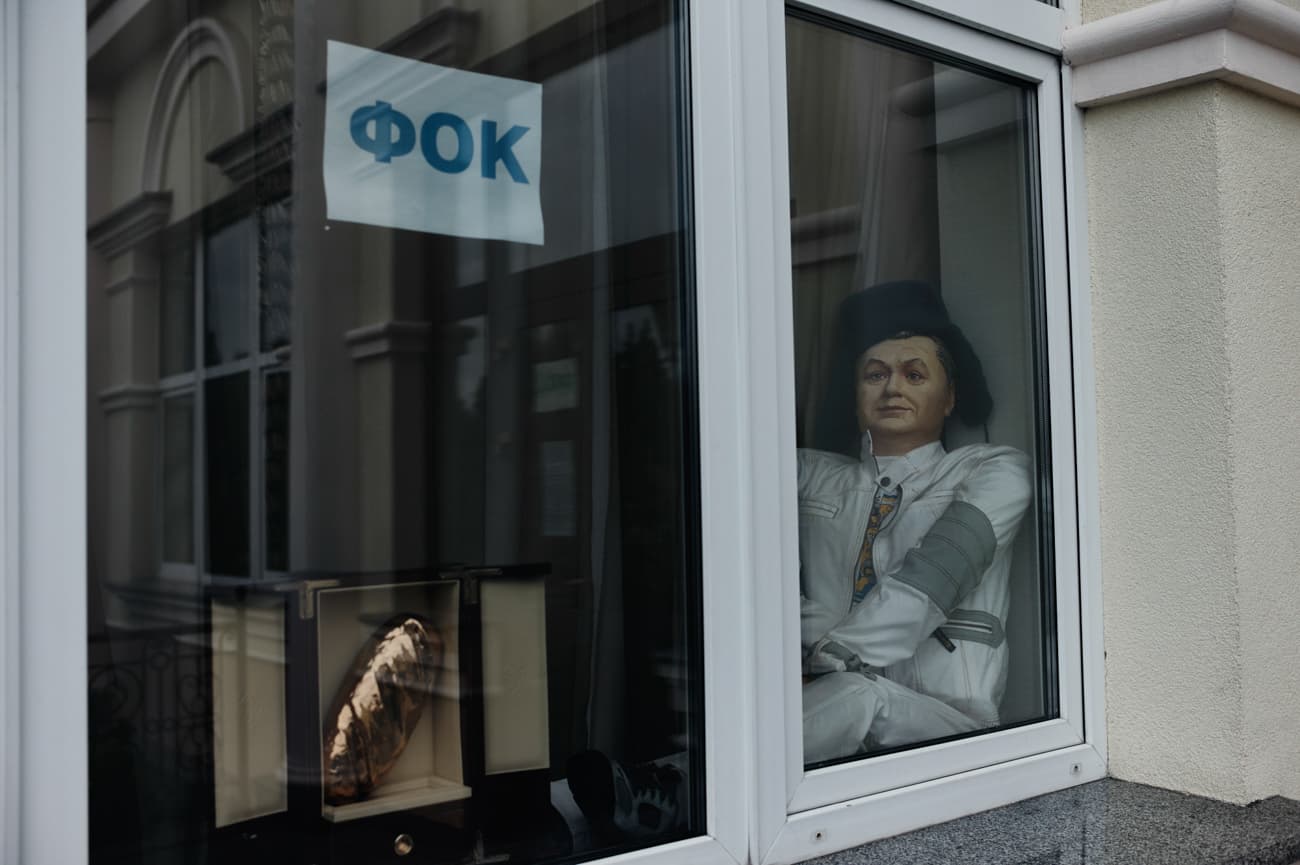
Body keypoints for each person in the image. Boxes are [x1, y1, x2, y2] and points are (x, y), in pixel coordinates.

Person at [800, 280, 1032, 763]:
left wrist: (835, 652)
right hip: (814, 710)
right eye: (875, 374)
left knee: (860, 697)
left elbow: (943, 567)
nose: (892, 389)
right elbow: (739, 563)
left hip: (944, 727)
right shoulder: (808, 475)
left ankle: (672, 794)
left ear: (949, 398)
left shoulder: (993, 469)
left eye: (914, 374)